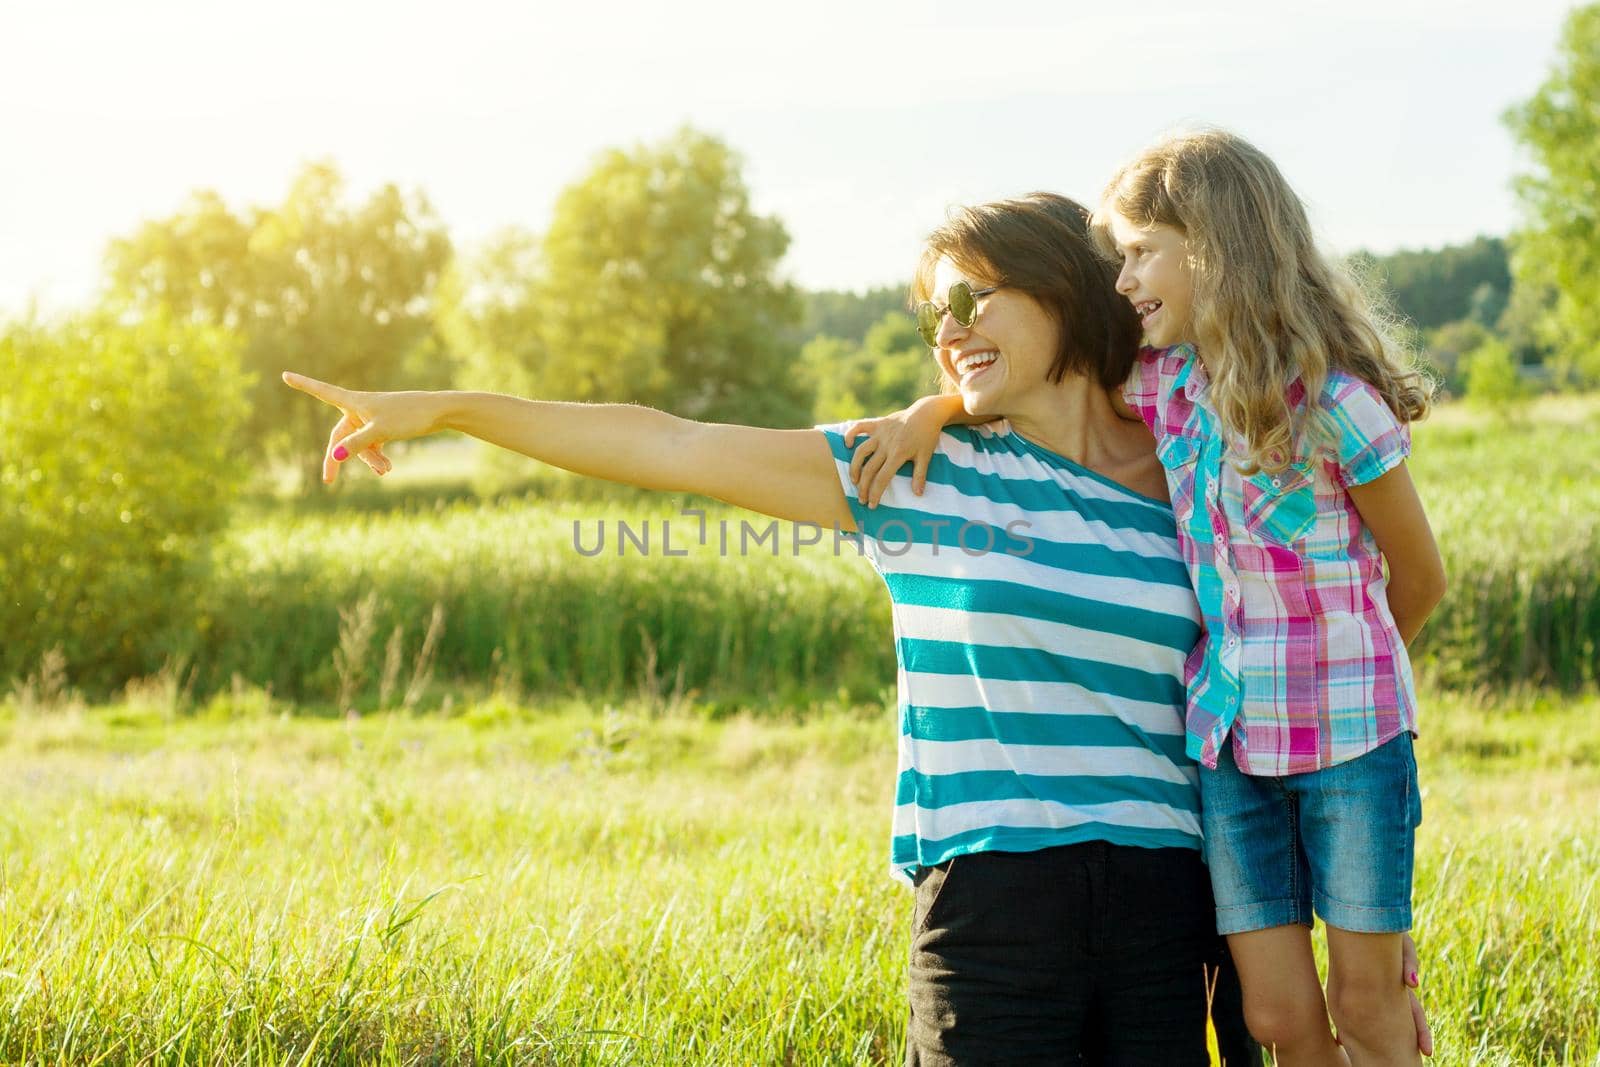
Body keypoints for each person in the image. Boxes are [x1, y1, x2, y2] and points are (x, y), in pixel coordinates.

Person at [284, 192, 1276, 1064]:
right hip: (994, 905)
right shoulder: (914, 470)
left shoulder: (1195, 475)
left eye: (972, 298)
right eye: (935, 312)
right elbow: (668, 441)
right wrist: (453, 409)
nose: (949, 329)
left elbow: (1306, 649)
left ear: (1062, 288)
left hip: (1169, 905)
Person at [845, 131, 1444, 1065]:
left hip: (1350, 740)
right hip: (1230, 749)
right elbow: (1037, 377)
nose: (1122, 280)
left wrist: (1352, 688)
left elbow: (1422, 574)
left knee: (1370, 1003)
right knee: (1274, 1018)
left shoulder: (1337, 402)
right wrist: (929, 409)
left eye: (1138, 252)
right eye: (1117, 259)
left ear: (1213, 244)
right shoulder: (1163, 387)